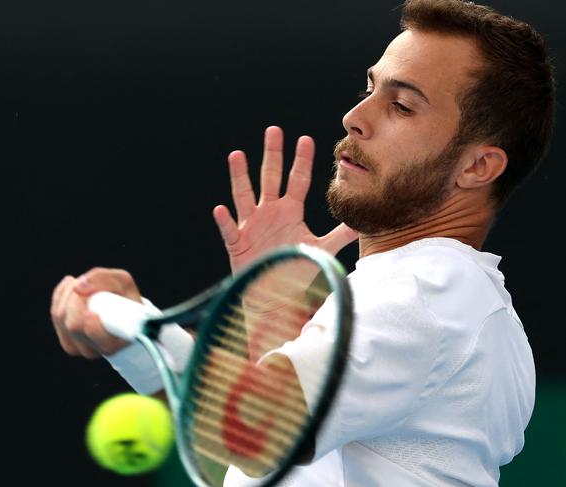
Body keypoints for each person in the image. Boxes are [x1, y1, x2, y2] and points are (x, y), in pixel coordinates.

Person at [50, 0, 556, 485]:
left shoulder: (430, 286)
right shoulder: (464, 304)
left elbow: (260, 430)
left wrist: (143, 332)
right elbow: (242, 447)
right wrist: (276, 321)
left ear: (477, 166)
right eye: (370, 88)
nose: (356, 116)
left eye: (401, 106)